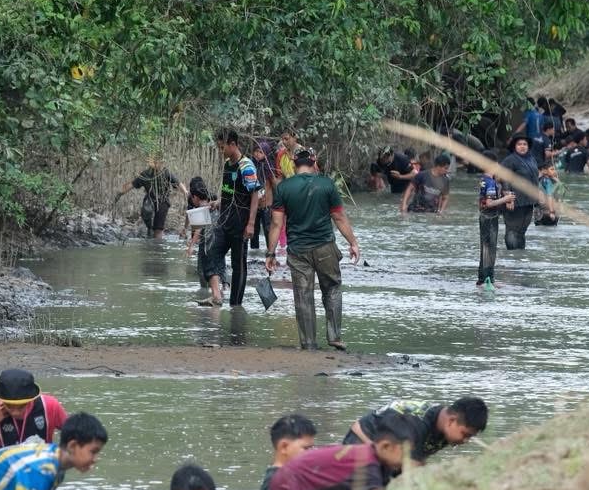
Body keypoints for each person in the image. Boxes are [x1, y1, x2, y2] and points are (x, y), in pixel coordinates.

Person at [266, 148, 362, 351]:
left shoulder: (284, 188)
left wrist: (270, 253)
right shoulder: (326, 184)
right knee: (332, 288)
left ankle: (308, 343)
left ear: (294, 164)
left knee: (303, 295)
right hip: (325, 247)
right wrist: (353, 242)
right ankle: (334, 336)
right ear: (314, 162)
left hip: (298, 250)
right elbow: (339, 217)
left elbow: (276, 224)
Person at [268, 411, 417, 490]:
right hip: (288, 487)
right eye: (404, 453)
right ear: (385, 446)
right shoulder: (367, 460)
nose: (408, 458)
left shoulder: (379, 463)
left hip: (306, 488)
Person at [204, 128, 263, 308]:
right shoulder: (228, 165)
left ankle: (236, 307)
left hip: (241, 222)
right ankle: (217, 295)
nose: (221, 151)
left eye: (222, 147)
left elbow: (255, 194)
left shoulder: (247, 166)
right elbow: (232, 192)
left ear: (233, 144)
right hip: (224, 220)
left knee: (238, 264)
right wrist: (218, 202)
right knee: (211, 253)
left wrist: (251, 224)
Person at [341, 397, 488, 461]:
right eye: (465, 434)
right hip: (362, 441)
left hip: (390, 452)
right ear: (451, 421)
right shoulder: (417, 424)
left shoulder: (444, 428)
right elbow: (412, 467)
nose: (466, 441)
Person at [0, 369, 68, 465]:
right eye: (9, 406)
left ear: (30, 400)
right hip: (8, 473)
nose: (15, 412)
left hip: (43, 470)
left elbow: (73, 435)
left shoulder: (50, 406)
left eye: (21, 406)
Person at [259, 413, 317, 490]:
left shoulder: (292, 476)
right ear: (284, 447)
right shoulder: (277, 482)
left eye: (312, 447)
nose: (312, 452)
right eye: (306, 448)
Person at [116, 157, 181, 239]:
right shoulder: (145, 175)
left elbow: (178, 184)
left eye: (160, 162)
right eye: (156, 162)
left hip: (163, 202)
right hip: (150, 201)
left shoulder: (166, 173)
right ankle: (149, 230)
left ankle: (156, 246)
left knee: (158, 228)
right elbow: (132, 185)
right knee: (147, 215)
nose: (159, 164)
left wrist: (185, 192)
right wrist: (119, 193)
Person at [476, 154, 514, 289]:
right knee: (489, 249)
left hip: (486, 217)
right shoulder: (490, 182)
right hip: (489, 219)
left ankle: (485, 279)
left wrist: (505, 195)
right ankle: (486, 280)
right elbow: (490, 203)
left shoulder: (485, 180)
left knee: (487, 248)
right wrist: (506, 199)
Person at [500, 134, 539, 250]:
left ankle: (519, 257)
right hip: (515, 201)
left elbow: (535, 178)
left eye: (525, 144)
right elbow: (504, 179)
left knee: (522, 230)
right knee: (512, 229)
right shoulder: (510, 160)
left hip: (528, 201)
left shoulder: (531, 158)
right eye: (519, 144)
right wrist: (508, 198)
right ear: (514, 146)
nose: (522, 147)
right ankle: (511, 255)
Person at [184, 176, 221, 294]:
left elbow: (199, 228)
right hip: (217, 240)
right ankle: (222, 288)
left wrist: (191, 247)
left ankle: (206, 292)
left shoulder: (202, 207)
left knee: (202, 269)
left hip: (207, 242)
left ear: (195, 196)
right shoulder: (212, 201)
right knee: (218, 266)